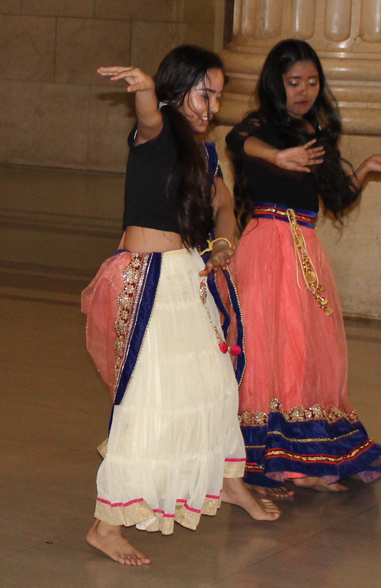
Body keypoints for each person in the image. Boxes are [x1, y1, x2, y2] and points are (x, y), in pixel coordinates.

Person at [82, 45, 280, 567]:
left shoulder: (205, 151)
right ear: (176, 90)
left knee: (214, 385)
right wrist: (146, 88)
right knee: (152, 399)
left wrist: (223, 243)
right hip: (148, 280)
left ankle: (227, 479)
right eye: (202, 93)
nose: (210, 106)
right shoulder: (158, 133)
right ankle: (106, 525)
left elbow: (222, 206)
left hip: (187, 276)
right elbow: (148, 116)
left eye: (217, 95)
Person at [226, 39, 381, 497]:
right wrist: (277, 156)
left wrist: (366, 169)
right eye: (294, 82)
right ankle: (266, 462)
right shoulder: (260, 129)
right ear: (277, 83)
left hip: (305, 250)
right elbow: (235, 140)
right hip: (269, 245)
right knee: (270, 349)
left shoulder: (316, 131)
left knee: (308, 351)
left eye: (312, 82)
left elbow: (336, 199)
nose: (304, 91)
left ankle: (304, 457)